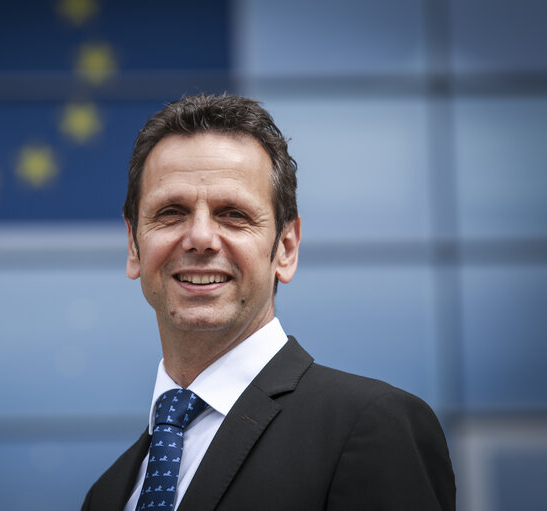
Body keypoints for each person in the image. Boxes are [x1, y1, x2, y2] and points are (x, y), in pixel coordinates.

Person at [82, 94, 455, 510]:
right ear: (134, 246)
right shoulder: (108, 494)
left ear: (286, 249)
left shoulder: (372, 428)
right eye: (171, 212)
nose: (201, 238)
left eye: (233, 214)